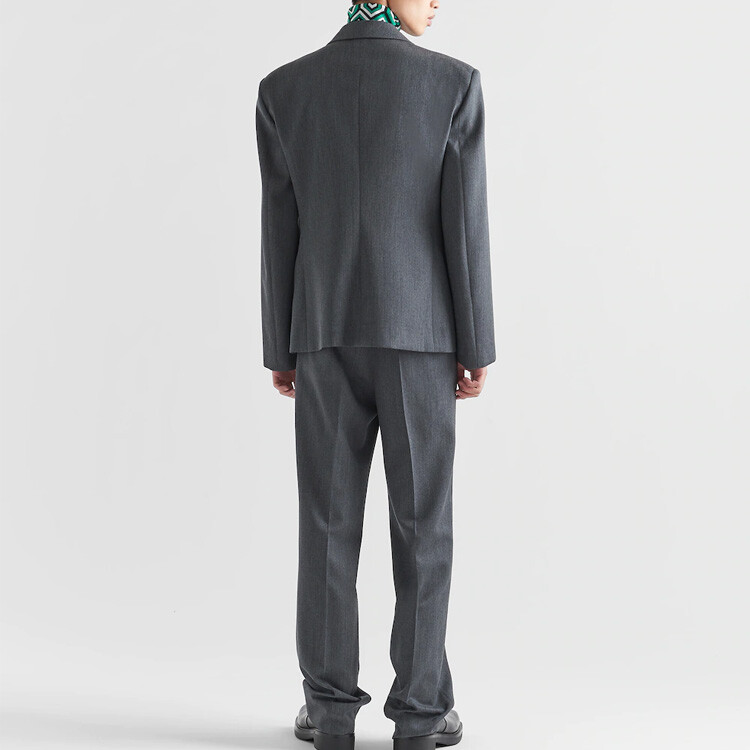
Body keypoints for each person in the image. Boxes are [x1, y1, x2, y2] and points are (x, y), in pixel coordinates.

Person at [255, 2, 495, 748]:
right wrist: (477, 344)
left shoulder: (284, 88)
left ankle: (329, 714)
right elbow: (463, 225)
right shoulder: (452, 83)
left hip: (322, 333)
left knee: (326, 526)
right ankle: (420, 714)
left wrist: (280, 347)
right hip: (421, 336)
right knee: (423, 527)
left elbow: (279, 227)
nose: (440, 1)